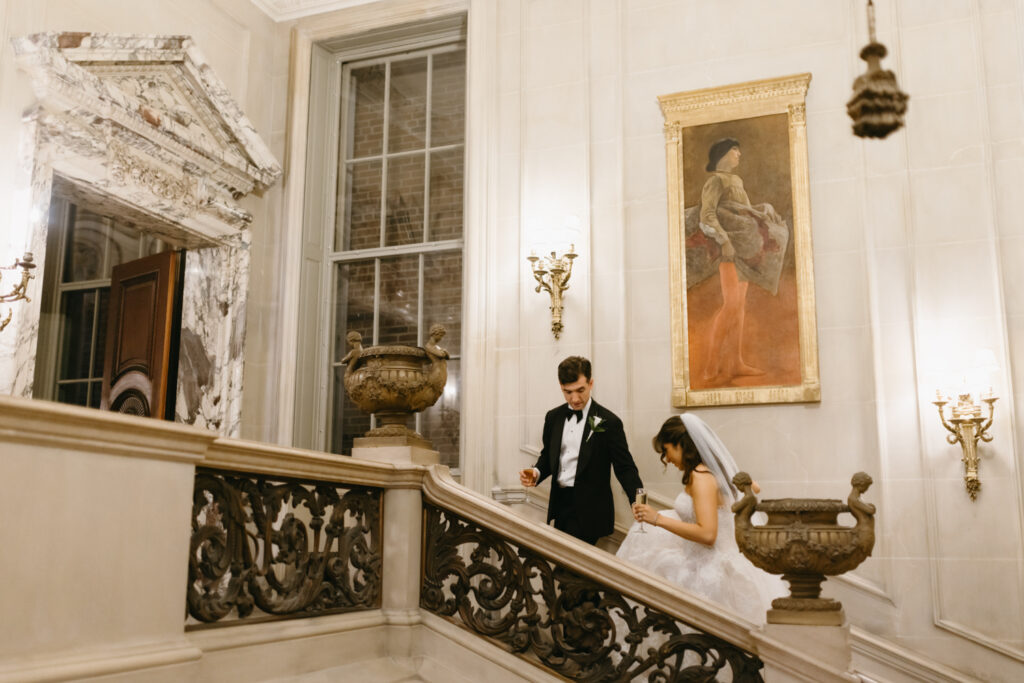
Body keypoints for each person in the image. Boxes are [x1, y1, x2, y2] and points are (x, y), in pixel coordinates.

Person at [615, 413, 784, 623]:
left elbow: (707, 534)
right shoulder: (713, 472)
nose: (666, 459)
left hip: (709, 568)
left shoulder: (701, 476)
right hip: (706, 558)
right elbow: (754, 487)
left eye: (667, 450)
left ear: (681, 445)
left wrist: (657, 518)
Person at [684, 137, 789, 386]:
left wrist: (764, 211)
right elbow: (707, 215)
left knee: (739, 307)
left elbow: (745, 213)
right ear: (723, 154)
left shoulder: (737, 181)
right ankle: (712, 363)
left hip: (742, 250)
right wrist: (724, 241)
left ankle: (735, 362)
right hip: (727, 249)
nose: (739, 155)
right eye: (734, 151)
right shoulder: (715, 181)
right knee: (731, 304)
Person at [519, 356, 644, 545]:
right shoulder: (553, 417)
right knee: (562, 558)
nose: (575, 399)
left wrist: (638, 501)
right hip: (560, 505)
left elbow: (624, 467)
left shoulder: (609, 422)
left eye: (580, 390)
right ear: (561, 386)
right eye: (568, 392)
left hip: (590, 510)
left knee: (567, 560)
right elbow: (548, 456)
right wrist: (536, 472)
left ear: (590, 383)